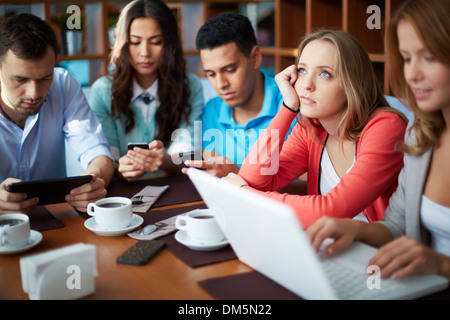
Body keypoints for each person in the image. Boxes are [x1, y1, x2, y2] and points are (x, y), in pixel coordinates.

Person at [307, 0, 450, 280]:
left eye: (428, 57)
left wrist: (442, 264)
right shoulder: (422, 136)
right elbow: (397, 223)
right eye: (407, 58)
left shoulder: (389, 125)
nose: (412, 74)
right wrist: (355, 230)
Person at [225, 29, 407, 229]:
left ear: (352, 83)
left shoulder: (386, 127)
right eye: (302, 70)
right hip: (326, 245)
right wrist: (287, 109)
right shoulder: (311, 128)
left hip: (378, 253)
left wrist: (245, 195)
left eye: (325, 74)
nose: (306, 85)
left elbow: (332, 210)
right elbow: (253, 179)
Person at [0, 14, 114, 213]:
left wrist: (94, 179)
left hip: (58, 218)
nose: (34, 93)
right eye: (20, 79)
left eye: (45, 77)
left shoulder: (63, 84)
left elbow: (96, 151)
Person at [89, 0, 204, 181]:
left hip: (174, 188)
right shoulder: (103, 91)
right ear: (122, 43)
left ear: (170, 44)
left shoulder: (191, 85)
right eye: (135, 42)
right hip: (122, 194)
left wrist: (166, 160)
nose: (145, 52)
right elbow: (103, 153)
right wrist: (119, 168)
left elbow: (189, 152)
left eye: (156, 42)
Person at [183, 12, 295, 178]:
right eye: (211, 74)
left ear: (255, 57)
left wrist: (240, 178)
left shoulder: (293, 107)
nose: (221, 84)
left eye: (230, 70)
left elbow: (312, 188)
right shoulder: (212, 110)